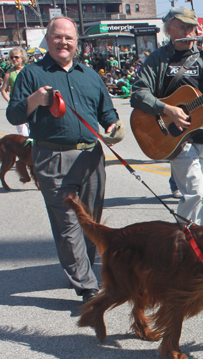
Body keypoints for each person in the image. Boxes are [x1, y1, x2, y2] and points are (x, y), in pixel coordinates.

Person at [7, 16, 120, 304]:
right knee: (67, 222)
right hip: (52, 157)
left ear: (77, 42)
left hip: (91, 156)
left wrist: (112, 128)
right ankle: (86, 286)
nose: (63, 42)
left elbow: (107, 113)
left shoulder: (90, 75)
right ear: (47, 40)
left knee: (90, 221)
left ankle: (83, 269)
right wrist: (34, 100)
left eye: (69, 38)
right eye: (57, 37)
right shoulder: (32, 74)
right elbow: (14, 115)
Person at [130, 7, 203, 226]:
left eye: (191, 27)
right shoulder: (158, 59)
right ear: (169, 29)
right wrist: (167, 109)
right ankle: (184, 238)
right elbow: (138, 94)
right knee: (194, 193)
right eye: (182, 27)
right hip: (177, 137)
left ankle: (199, 238)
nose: (188, 31)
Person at [1, 47, 30, 136]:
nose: (14, 59)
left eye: (16, 57)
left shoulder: (28, 70)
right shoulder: (9, 73)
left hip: (29, 103)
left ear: (22, 58)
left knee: (33, 131)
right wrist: (10, 101)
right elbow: (3, 90)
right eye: (12, 57)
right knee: (23, 134)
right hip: (17, 105)